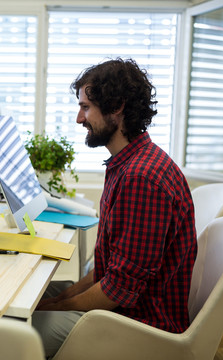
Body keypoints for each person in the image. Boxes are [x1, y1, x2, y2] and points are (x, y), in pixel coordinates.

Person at [32, 58, 197, 358]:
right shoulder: (129, 164)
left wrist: (59, 305)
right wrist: (62, 298)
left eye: (85, 108)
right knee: (31, 298)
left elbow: (119, 289)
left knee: (12, 332)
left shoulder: (141, 178)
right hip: (124, 309)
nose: (79, 119)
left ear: (117, 107)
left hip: (138, 325)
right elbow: (109, 271)